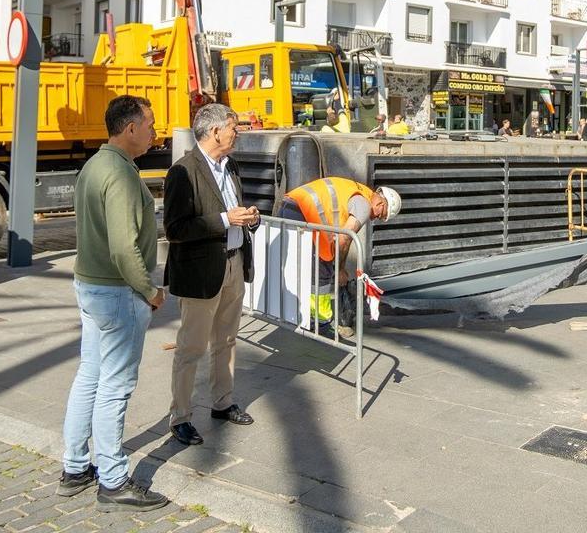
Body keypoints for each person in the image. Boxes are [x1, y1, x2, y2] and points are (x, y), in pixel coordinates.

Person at [59, 95, 169, 512]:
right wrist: (151, 291)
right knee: (114, 387)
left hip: (90, 287)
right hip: (117, 292)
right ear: (130, 129)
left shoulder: (94, 165)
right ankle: (113, 477)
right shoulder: (120, 174)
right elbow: (125, 249)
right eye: (151, 124)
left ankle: (74, 467)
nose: (155, 132)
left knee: (90, 375)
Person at [163, 104, 261, 447]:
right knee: (191, 347)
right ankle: (181, 417)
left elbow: (237, 208)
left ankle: (222, 402)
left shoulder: (230, 165)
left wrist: (250, 216)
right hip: (202, 272)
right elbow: (175, 229)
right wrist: (224, 220)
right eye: (234, 127)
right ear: (215, 131)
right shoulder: (183, 171)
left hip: (234, 264)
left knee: (228, 340)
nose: (238, 132)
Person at [280, 178, 401, 336]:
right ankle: (319, 324)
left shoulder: (359, 191)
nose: (375, 218)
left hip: (289, 205)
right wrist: (340, 269)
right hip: (303, 212)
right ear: (381, 204)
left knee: (299, 265)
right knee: (322, 269)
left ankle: (296, 315)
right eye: (380, 215)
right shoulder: (364, 205)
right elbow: (345, 237)